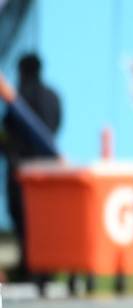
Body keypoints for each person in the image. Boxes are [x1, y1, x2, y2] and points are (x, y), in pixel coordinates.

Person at [0, 53, 61, 283]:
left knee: (24, 221)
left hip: (23, 172)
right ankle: (48, 269)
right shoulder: (53, 97)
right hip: (50, 171)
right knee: (46, 222)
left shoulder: (19, 99)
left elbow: (8, 135)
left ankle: (31, 268)